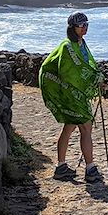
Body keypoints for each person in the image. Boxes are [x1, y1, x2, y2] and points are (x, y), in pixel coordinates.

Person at [39, 11, 104, 183]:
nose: (85, 28)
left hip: (75, 94)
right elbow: (70, 72)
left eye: (86, 25)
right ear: (72, 28)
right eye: (81, 25)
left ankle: (61, 167)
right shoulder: (67, 47)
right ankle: (90, 169)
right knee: (86, 129)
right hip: (71, 94)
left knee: (69, 128)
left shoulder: (81, 44)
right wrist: (93, 79)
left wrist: (96, 76)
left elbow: (87, 65)